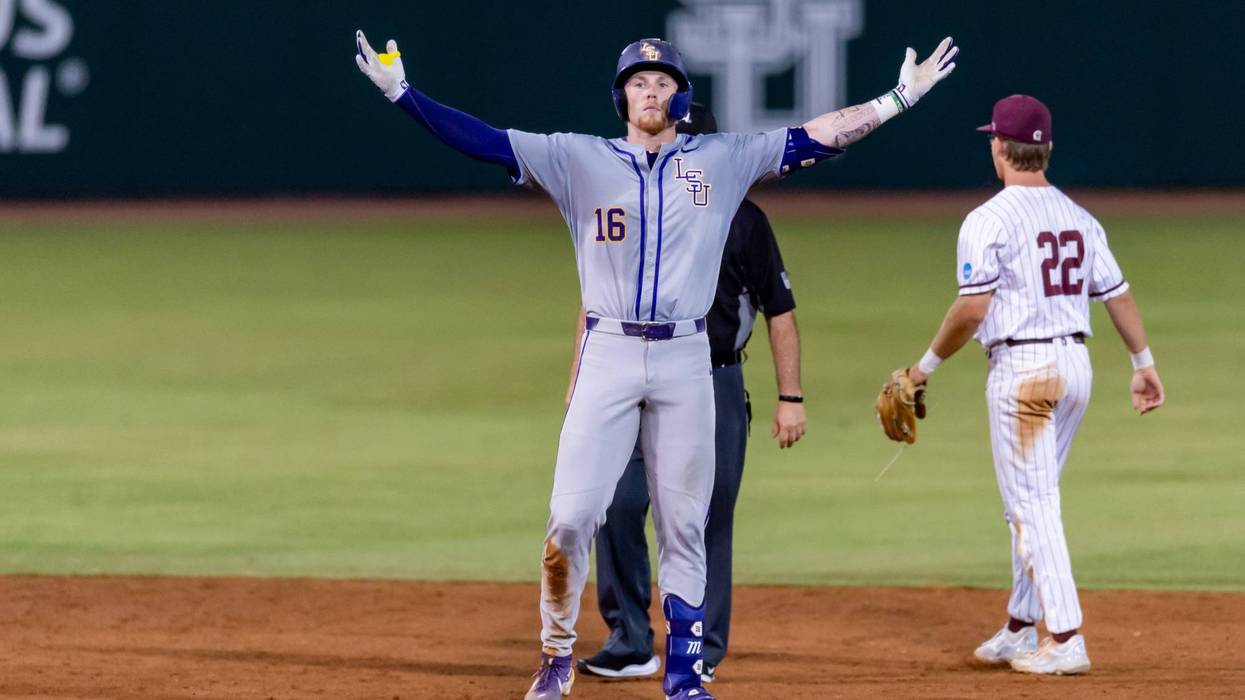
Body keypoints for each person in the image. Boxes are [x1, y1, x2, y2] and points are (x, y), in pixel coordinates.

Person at [355, 30, 958, 699]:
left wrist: (899, 98)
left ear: (681, 94)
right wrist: (403, 96)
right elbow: (484, 140)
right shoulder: (576, 160)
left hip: (684, 356)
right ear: (621, 96)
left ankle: (683, 674)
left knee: (683, 522)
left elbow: (818, 135)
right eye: (638, 82)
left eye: (662, 81)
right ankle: (555, 656)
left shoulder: (720, 161)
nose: (649, 90)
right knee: (570, 518)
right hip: (607, 351)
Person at [895, 94, 1165, 676]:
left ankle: (1066, 637)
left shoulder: (987, 219)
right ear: (1045, 150)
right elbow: (1116, 293)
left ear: (998, 147)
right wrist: (1143, 362)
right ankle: (1021, 626)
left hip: (1025, 377)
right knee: (1030, 499)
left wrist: (923, 370)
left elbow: (971, 311)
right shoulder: (1079, 216)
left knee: (1032, 508)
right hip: (1075, 370)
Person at [573, 104, 805, 685]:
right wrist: (580, 384)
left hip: (715, 376)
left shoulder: (744, 221)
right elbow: (595, 303)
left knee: (705, 515)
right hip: (628, 371)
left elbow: (780, 312)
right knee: (616, 503)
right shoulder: (630, 209)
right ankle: (630, 639)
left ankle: (700, 649)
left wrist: (790, 396)